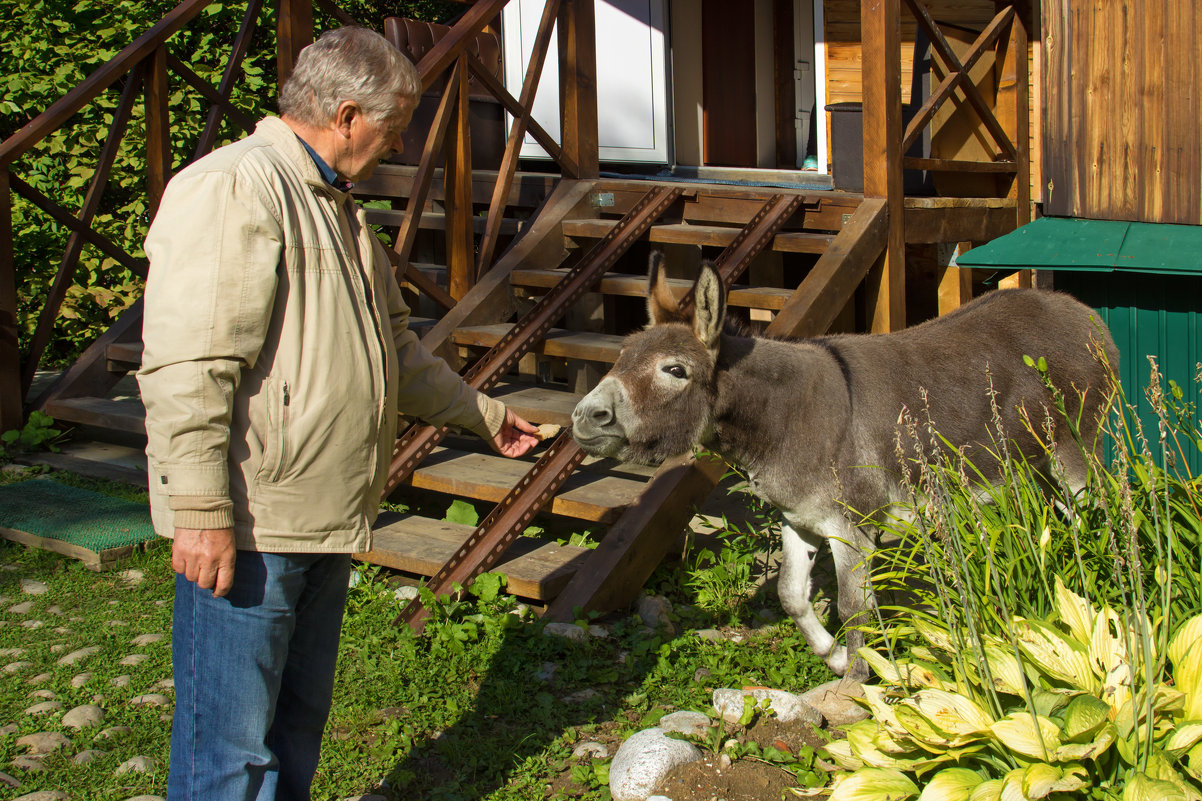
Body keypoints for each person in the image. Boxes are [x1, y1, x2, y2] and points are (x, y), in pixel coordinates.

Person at [136, 26, 541, 801]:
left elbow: (395, 346)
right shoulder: (237, 186)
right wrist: (199, 509)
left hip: (321, 514)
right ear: (349, 115)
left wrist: (481, 414)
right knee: (229, 751)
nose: (395, 146)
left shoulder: (338, 206)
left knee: (292, 733)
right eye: (392, 128)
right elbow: (190, 366)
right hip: (252, 521)